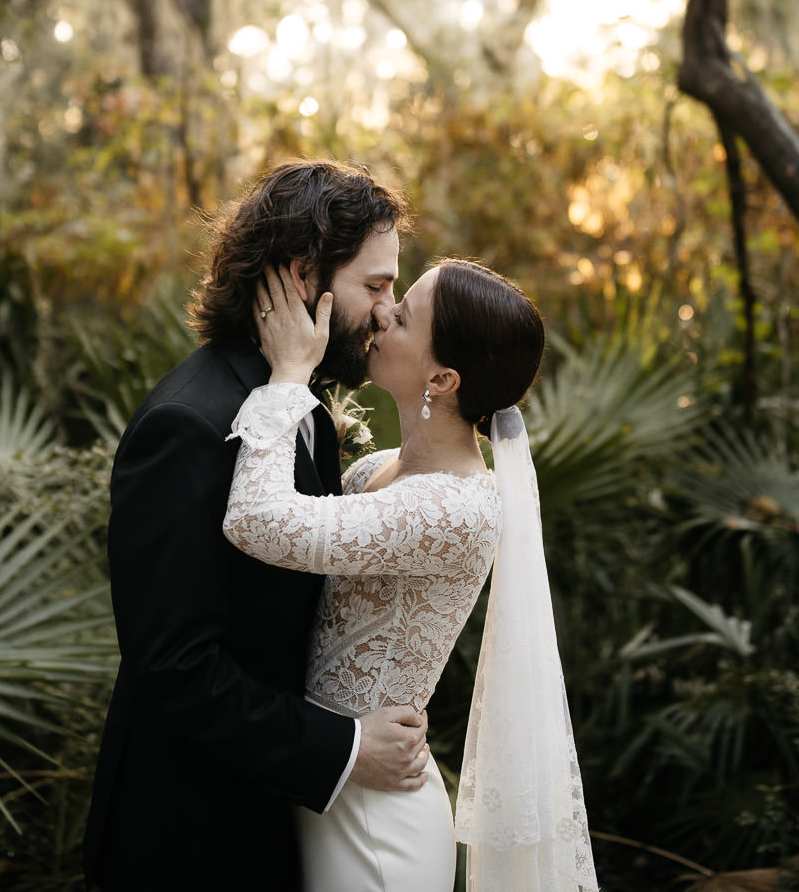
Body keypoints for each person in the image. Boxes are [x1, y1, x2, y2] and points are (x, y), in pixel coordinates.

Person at [84, 160, 434, 892]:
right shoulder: (188, 424)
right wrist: (342, 747)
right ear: (305, 277)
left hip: (272, 814)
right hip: (187, 833)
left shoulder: (295, 405)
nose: (385, 309)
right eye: (375, 285)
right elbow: (174, 666)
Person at [223, 259, 598, 891]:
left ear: (443, 378)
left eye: (403, 315)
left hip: (376, 826)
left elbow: (256, 521)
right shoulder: (377, 471)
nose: (380, 314)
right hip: (330, 777)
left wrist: (289, 376)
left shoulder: (452, 508)